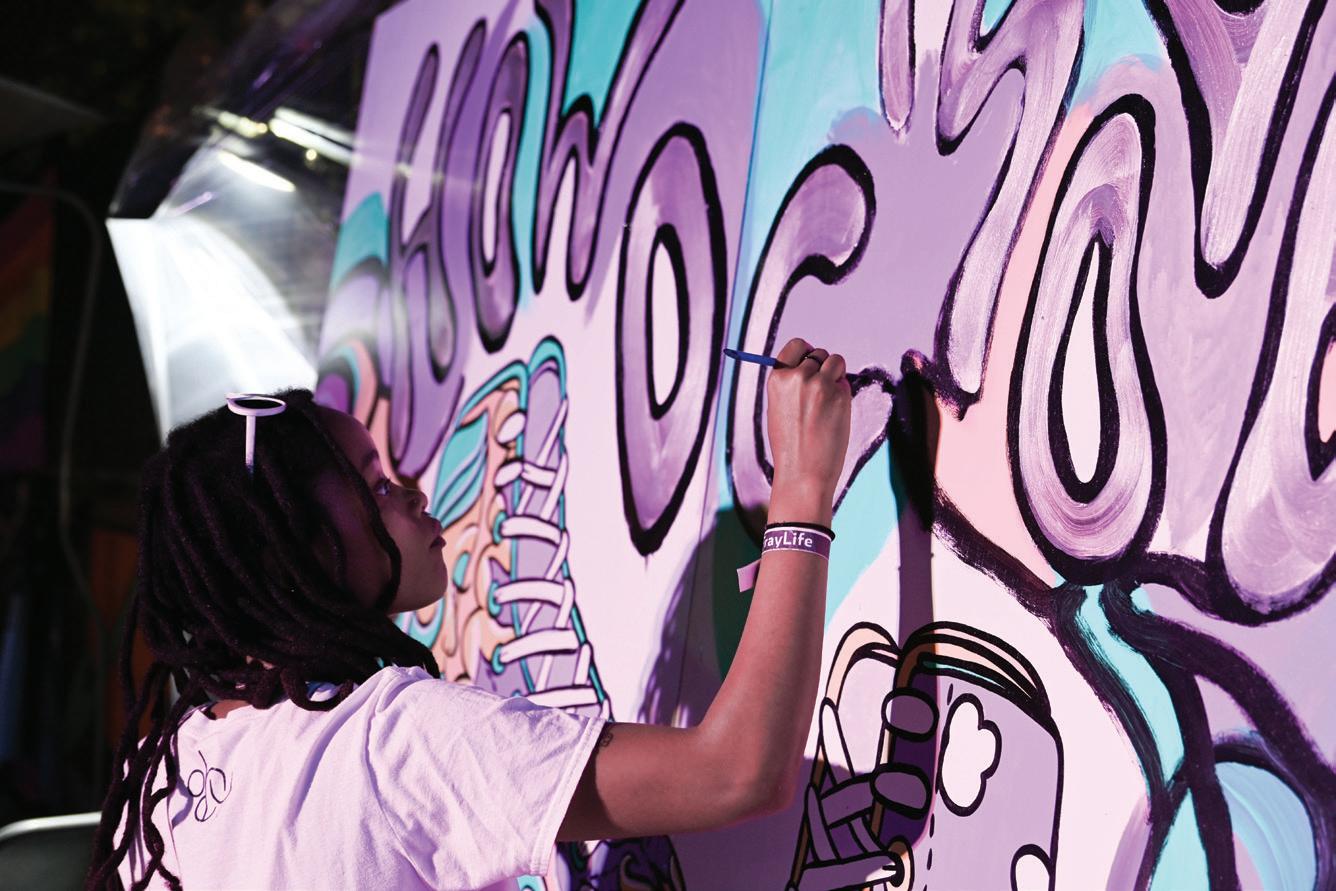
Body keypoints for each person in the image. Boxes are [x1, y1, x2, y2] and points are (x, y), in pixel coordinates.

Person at [88, 337, 851, 890]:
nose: (412, 490)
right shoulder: (393, 741)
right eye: (374, 484)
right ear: (302, 550)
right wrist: (802, 486)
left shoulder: (163, 776)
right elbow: (739, 770)